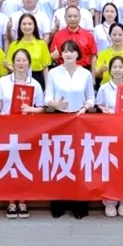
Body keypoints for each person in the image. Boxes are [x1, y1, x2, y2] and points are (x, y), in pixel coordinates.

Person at [0, 49, 46, 219]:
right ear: (12, 63)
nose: (21, 63)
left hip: (27, 130)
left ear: (29, 63)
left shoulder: (35, 84)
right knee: (9, 165)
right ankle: (10, 201)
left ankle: (23, 201)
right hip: (6, 129)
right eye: (18, 60)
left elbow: (42, 108)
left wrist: (31, 109)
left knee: (24, 165)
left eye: (24, 60)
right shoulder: (3, 81)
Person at [45, 41, 95, 219]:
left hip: (79, 120)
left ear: (78, 54)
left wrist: (85, 107)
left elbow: (91, 98)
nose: (68, 54)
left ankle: (79, 205)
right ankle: (58, 204)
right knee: (59, 162)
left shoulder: (85, 74)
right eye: (65, 51)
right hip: (59, 119)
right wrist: (56, 104)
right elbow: (47, 98)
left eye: (72, 51)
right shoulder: (53, 73)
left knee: (79, 163)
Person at [95, 56, 123, 217]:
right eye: (114, 67)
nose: (117, 70)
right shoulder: (104, 88)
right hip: (109, 133)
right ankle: (110, 201)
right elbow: (99, 104)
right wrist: (102, 109)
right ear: (110, 70)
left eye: (120, 67)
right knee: (110, 168)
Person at [7, 14, 52, 87]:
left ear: (34, 26)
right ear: (20, 26)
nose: (27, 27)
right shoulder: (14, 45)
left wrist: (47, 87)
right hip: (18, 79)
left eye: (30, 24)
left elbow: (45, 68)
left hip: (37, 78)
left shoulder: (42, 44)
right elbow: (9, 64)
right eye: (24, 24)